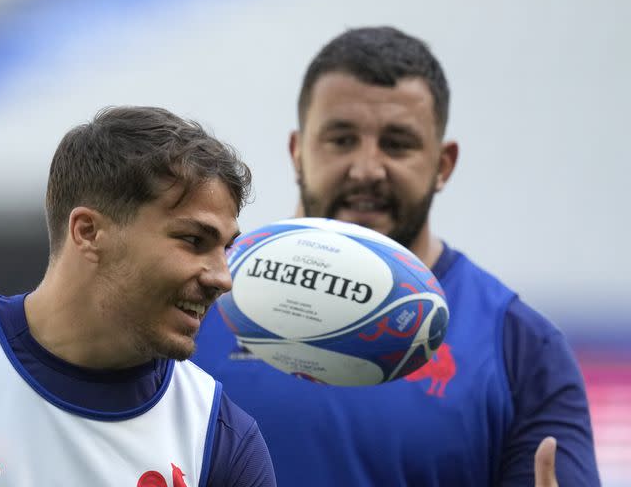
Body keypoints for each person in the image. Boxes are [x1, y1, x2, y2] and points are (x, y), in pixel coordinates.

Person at [193, 27, 600, 485]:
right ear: (297, 153)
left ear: (443, 164)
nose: (368, 169)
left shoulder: (520, 347)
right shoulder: (196, 295)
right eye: (341, 139)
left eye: (398, 143)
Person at [0, 106, 277, 487]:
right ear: (88, 232)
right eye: (193, 240)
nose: (222, 278)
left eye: (225, 248)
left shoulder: (220, 441)